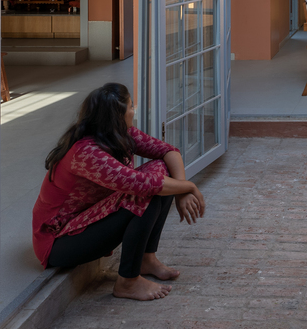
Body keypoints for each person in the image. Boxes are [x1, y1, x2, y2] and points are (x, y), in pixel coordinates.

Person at [31, 82, 206, 301]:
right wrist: (189, 186)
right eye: (131, 106)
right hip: (58, 242)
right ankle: (128, 282)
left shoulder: (119, 133)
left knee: (161, 171)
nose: (134, 110)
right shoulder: (86, 153)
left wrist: (181, 190)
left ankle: (146, 259)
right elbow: (142, 184)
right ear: (117, 116)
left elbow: (168, 151)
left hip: (87, 221)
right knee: (145, 194)